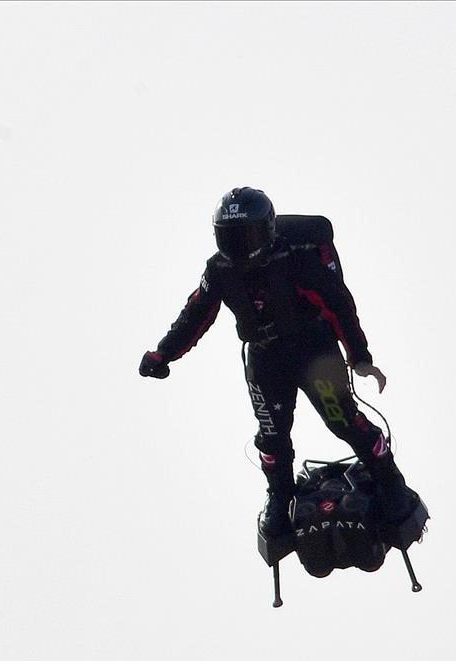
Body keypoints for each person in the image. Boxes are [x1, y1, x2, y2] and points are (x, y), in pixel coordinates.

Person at [139, 187, 425, 549]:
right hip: (265, 358)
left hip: (313, 351)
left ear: (269, 231)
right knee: (271, 437)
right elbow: (195, 313)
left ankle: (388, 478)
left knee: (342, 419)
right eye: (231, 237)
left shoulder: (296, 259)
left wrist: (360, 357)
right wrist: (163, 354)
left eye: (249, 236)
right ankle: (280, 496)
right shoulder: (219, 270)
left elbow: (338, 304)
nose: (241, 247)